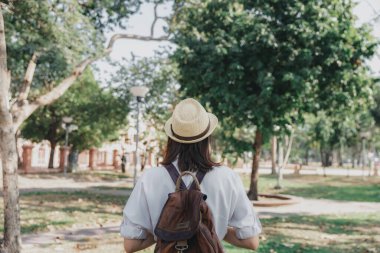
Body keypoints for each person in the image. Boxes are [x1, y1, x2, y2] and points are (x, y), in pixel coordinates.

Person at [120, 98, 262, 252]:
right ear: (207, 138)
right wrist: (209, 229)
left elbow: (131, 244)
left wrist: (166, 232)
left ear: (172, 139)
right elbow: (251, 241)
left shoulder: (149, 178)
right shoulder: (227, 178)